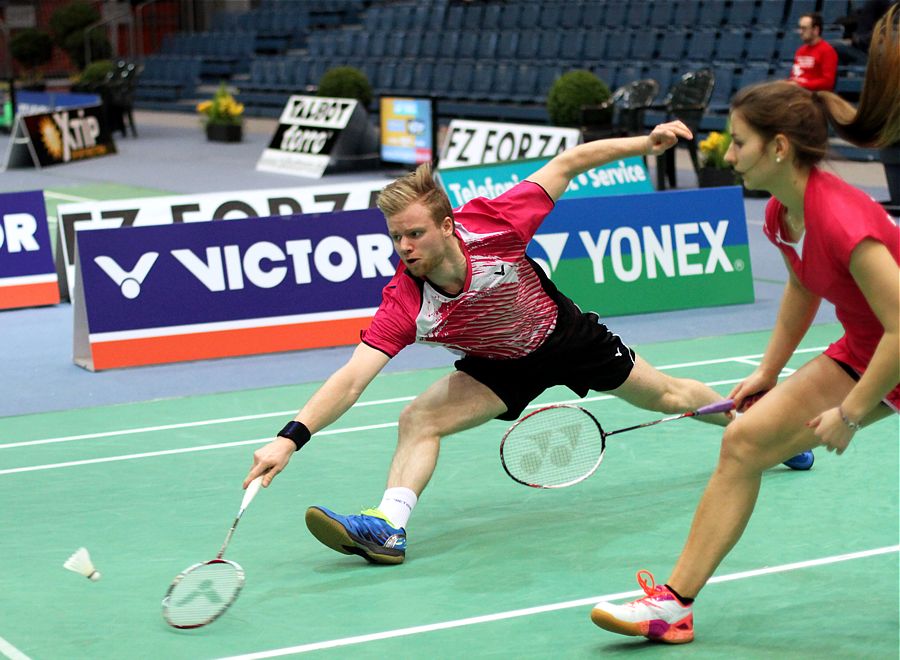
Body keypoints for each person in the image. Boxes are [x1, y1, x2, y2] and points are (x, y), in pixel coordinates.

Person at [242, 120, 742, 565]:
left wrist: (645, 144)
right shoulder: (405, 302)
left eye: (415, 233)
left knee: (671, 396)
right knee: (419, 418)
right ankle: (390, 525)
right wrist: (290, 438)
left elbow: (568, 163)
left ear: (447, 225)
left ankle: (755, 429)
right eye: (396, 237)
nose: (405, 247)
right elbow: (351, 379)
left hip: (565, 337)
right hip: (501, 365)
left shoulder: (495, 225)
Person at [590, 5, 900, 644]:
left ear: (778, 147)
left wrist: (849, 413)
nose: (727, 153)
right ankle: (672, 607)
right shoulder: (784, 215)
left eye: (737, 141)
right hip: (865, 350)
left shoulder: (847, 220)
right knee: (743, 443)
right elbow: (799, 285)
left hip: (889, 349)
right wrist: (767, 369)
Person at [790, 12, 839, 91]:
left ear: (815, 30)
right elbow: (794, 76)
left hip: (816, 97)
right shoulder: (800, 51)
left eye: (804, 28)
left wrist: (801, 85)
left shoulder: (827, 51)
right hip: (799, 94)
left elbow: (828, 82)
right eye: (800, 28)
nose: (800, 32)